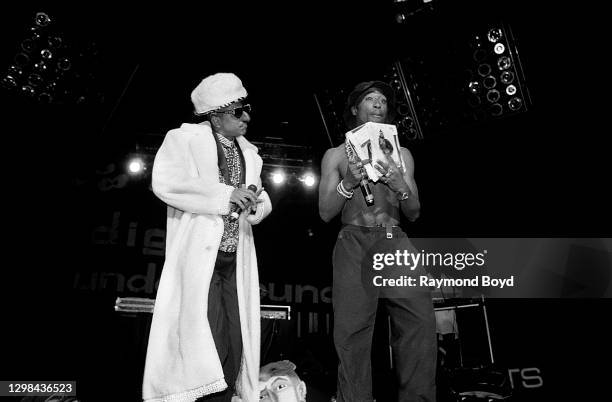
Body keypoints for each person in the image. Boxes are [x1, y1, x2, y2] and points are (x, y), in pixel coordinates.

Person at [142, 72, 272, 402]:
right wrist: (224, 195)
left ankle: (227, 397)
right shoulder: (183, 139)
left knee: (236, 335)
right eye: (238, 111)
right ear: (215, 117)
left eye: (246, 109)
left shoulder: (250, 153)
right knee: (204, 334)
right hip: (202, 257)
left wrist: (258, 202)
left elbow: (254, 193)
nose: (246, 116)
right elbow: (166, 182)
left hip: (235, 256)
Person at [318, 81, 437, 401]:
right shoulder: (335, 155)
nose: (378, 105)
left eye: (383, 101)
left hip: (394, 239)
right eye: (370, 99)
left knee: (420, 323)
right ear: (355, 108)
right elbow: (325, 212)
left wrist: (400, 185)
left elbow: (413, 212)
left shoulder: (403, 154)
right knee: (352, 332)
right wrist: (347, 183)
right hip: (353, 242)